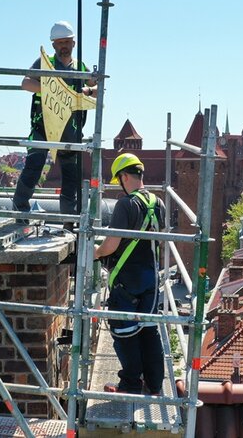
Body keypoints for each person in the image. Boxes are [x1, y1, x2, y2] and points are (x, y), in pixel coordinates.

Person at [94, 153, 166, 395]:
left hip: (128, 280)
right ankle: (154, 385)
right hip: (151, 279)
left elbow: (111, 245)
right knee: (149, 330)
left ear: (124, 177)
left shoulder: (125, 204)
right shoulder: (159, 203)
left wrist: (94, 253)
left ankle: (131, 385)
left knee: (124, 333)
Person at [14, 21, 98, 217]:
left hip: (70, 130)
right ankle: (20, 210)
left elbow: (96, 91)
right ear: (53, 45)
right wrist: (54, 90)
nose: (63, 46)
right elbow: (26, 83)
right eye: (59, 43)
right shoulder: (45, 63)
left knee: (70, 176)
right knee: (34, 165)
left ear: (73, 44)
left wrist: (86, 89)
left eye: (67, 42)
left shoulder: (80, 67)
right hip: (42, 127)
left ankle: (69, 220)